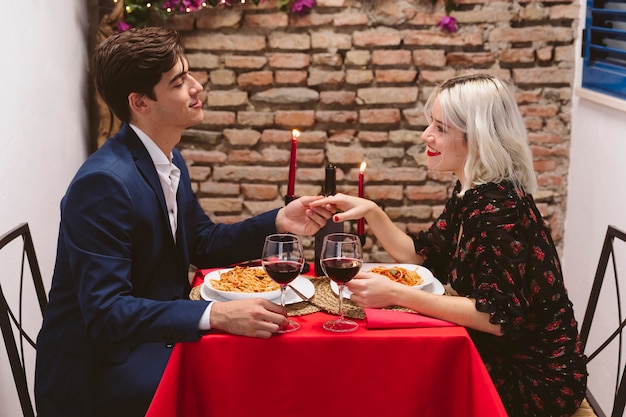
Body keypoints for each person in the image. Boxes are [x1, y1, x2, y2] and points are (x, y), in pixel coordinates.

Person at [34, 26, 331, 417]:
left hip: (145, 342)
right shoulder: (103, 183)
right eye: (179, 81)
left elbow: (202, 241)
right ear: (140, 102)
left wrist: (280, 220)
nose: (196, 86)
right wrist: (216, 315)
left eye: (189, 74)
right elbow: (107, 312)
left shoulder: (167, 158)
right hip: (99, 374)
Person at [311, 74, 587, 417]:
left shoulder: (495, 211)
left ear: (478, 139)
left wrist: (397, 295)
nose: (427, 135)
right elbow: (420, 255)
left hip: (534, 381)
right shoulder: (474, 192)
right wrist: (373, 212)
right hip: (497, 354)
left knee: (391, 383)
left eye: (440, 128)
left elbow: (498, 318)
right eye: (431, 123)